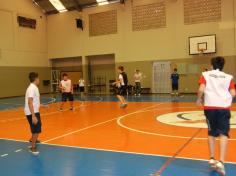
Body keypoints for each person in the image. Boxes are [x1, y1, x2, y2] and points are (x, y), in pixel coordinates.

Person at [196, 56, 235, 176]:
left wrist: (198, 99)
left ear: (212, 65)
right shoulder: (228, 77)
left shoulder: (206, 75)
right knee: (223, 134)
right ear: (223, 66)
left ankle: (212, 158)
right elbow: (233, 93)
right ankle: (221, 162)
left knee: (211, 133)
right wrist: (226, 99)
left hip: (210, 108)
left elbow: (201, 89)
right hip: (223, 108)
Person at [25, 72, 41, 155]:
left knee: (36, 128)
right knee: (36, 129)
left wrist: (41, 105)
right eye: (38, 78)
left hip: (33, 111)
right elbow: (30, 101)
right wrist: (33, 116)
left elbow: (34, 101)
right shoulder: (32, 88)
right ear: (35, 79)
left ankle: (33, 139)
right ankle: (33, 147)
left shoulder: (34, 87)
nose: (39, 80)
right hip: (32, 112)